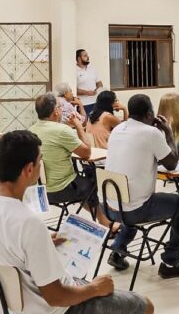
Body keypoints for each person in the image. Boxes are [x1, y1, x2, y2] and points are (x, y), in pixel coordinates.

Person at [0, 130, 154, 314]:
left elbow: (2, 242)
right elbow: (56, 297)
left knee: (86, 286)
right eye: (40, 161)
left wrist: (43, 240)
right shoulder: (28, 222)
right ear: (29, 169)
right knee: (142, 307)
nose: (41, 166)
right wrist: (95, 288)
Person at [104, 94, 179, 279]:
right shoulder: (151, 133)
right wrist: (167, 132)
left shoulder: (118, 129)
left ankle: (118, 250)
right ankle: (170, 261)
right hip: (134, 211)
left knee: (132, 198)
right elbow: (172, 164)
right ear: (149, 114)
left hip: (110, 207)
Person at [29, 93, 115, 230]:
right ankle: (106, 223)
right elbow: (87, 153)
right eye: (60, 107)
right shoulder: (62, 130)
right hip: (61, 189)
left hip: (40, 190)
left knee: (82, 184)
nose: (62, 109)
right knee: (91, 183)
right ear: (56, 111)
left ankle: (105, 222)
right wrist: (78, 125)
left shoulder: (31, 130)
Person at [76, 49, 102, 115]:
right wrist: (86, 92)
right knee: (85, 121)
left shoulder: (92, 68)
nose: (88, 57)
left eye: (87, 55)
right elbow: (72, 89)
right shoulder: (74, 70)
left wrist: (98, 90)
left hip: (95, 102)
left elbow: (99, 83)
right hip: (83, 104)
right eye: (85, 56)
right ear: (79, 58)